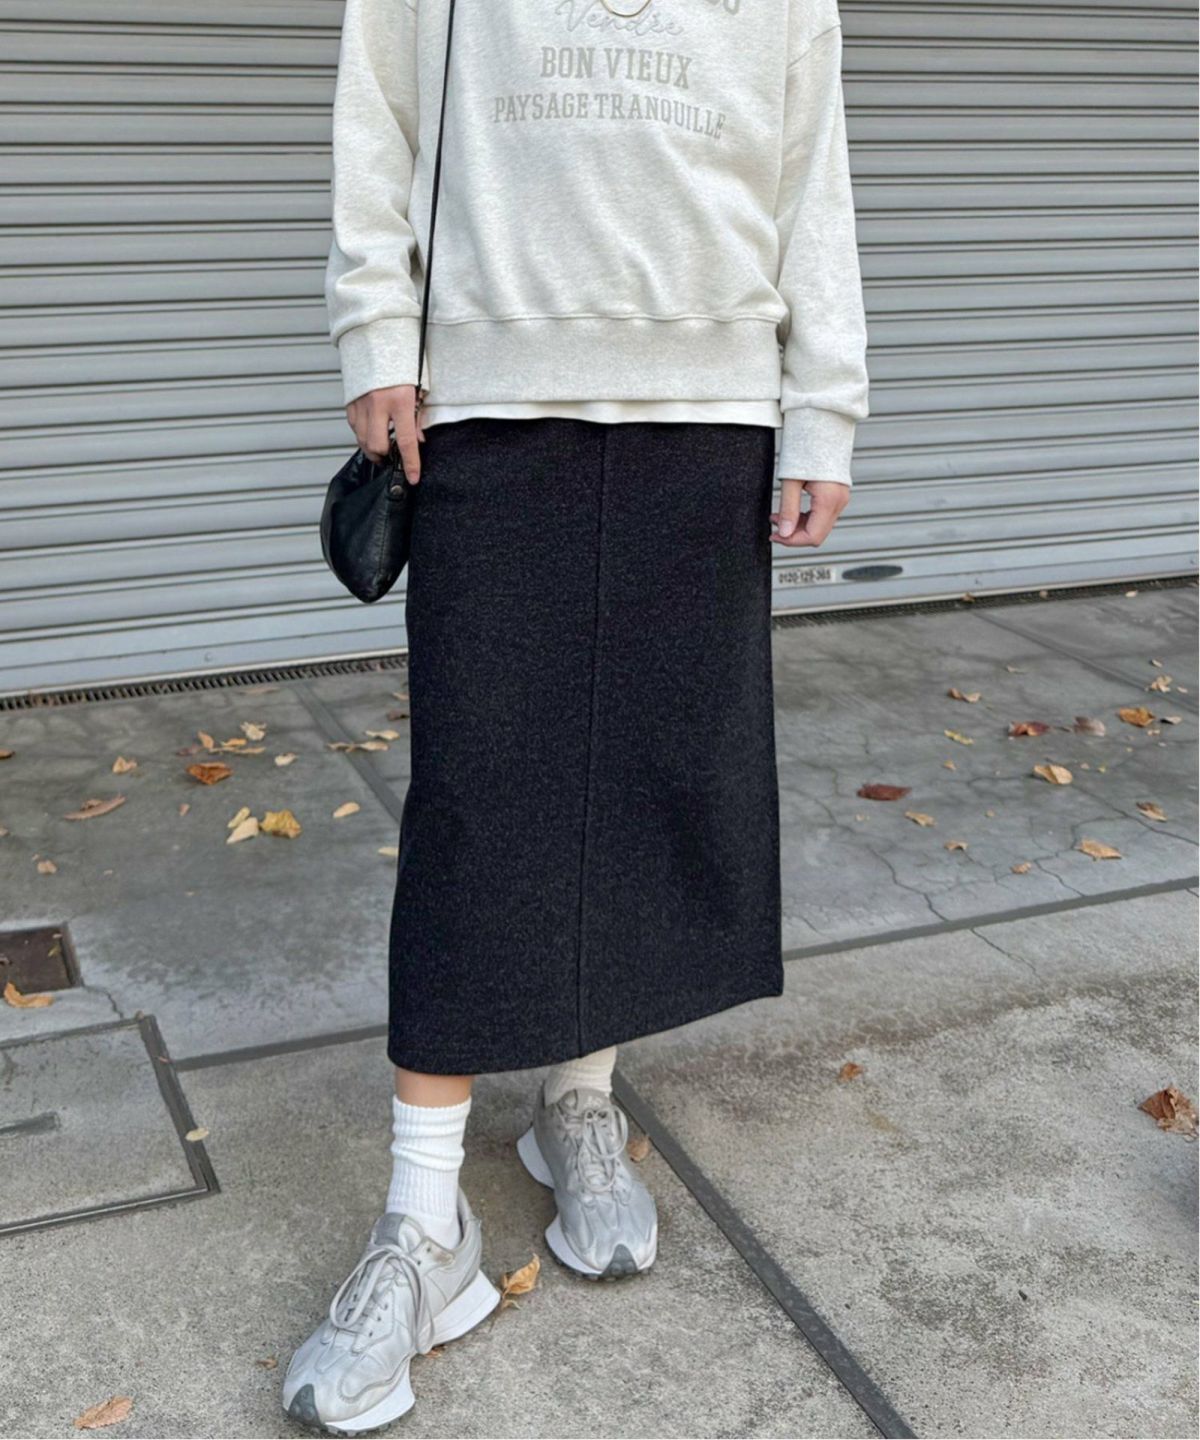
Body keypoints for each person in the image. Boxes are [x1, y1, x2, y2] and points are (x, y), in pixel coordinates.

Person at [283, 0, 868, 1430]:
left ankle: (577, 1102)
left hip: (710, 412)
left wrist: (824, 410)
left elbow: (811, 175)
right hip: (493, 395)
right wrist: (374, 329)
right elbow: (380, 112)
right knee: (480, 802)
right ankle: (425, 1224)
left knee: (652, 781)